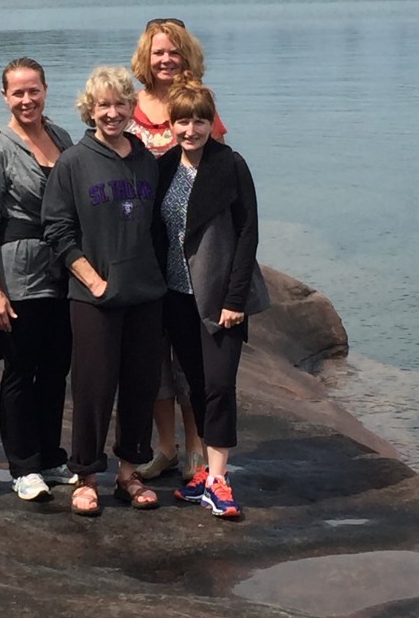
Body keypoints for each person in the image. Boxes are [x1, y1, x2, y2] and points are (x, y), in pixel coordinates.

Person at [42, 66, 168, 516]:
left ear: (132, 108)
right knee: (93, 388)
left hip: (145, 294)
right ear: (89, 110)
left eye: (120, 104)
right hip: (93, 297)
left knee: (140, 385)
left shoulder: (145, 160)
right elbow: (57, 230)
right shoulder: (74, 161)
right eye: (103, 106)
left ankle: (129, 472)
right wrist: (92, 279)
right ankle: (87, 475)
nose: (112, 113)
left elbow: (156, 227)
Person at [154, 82, 268, 518]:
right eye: (183, 120)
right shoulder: (165, 167)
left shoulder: (230, 165)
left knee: (220, 386)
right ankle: (202, 473)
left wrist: (235, 297)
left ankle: (219, 479)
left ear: (211, 123)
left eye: (200, 120)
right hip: (177, 296)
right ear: (172, 124)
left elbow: (248, 232)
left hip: (220, 299)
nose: (191, 129)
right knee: (196, 386)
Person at [0, 58, 77, 501]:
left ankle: (51, 457)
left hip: (64, 273)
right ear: (5, 97)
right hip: (19, 273)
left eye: (33, 90)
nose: (27, 99)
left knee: (56, 370)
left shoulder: (64, 138)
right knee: (20, 371)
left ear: (45, 91)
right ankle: (23, 466)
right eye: (18, 92)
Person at [128, 18, 228, 484]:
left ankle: (195, 447)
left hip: (188, 256)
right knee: (152, 355)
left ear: (186, 55)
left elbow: (220, 178)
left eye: (173, 52)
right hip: (142, 250)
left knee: (192, 357)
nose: (165, 60)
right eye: (157, 52)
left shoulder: (196, 104)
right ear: (145, 58)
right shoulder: (130, 106)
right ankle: (163, 447)